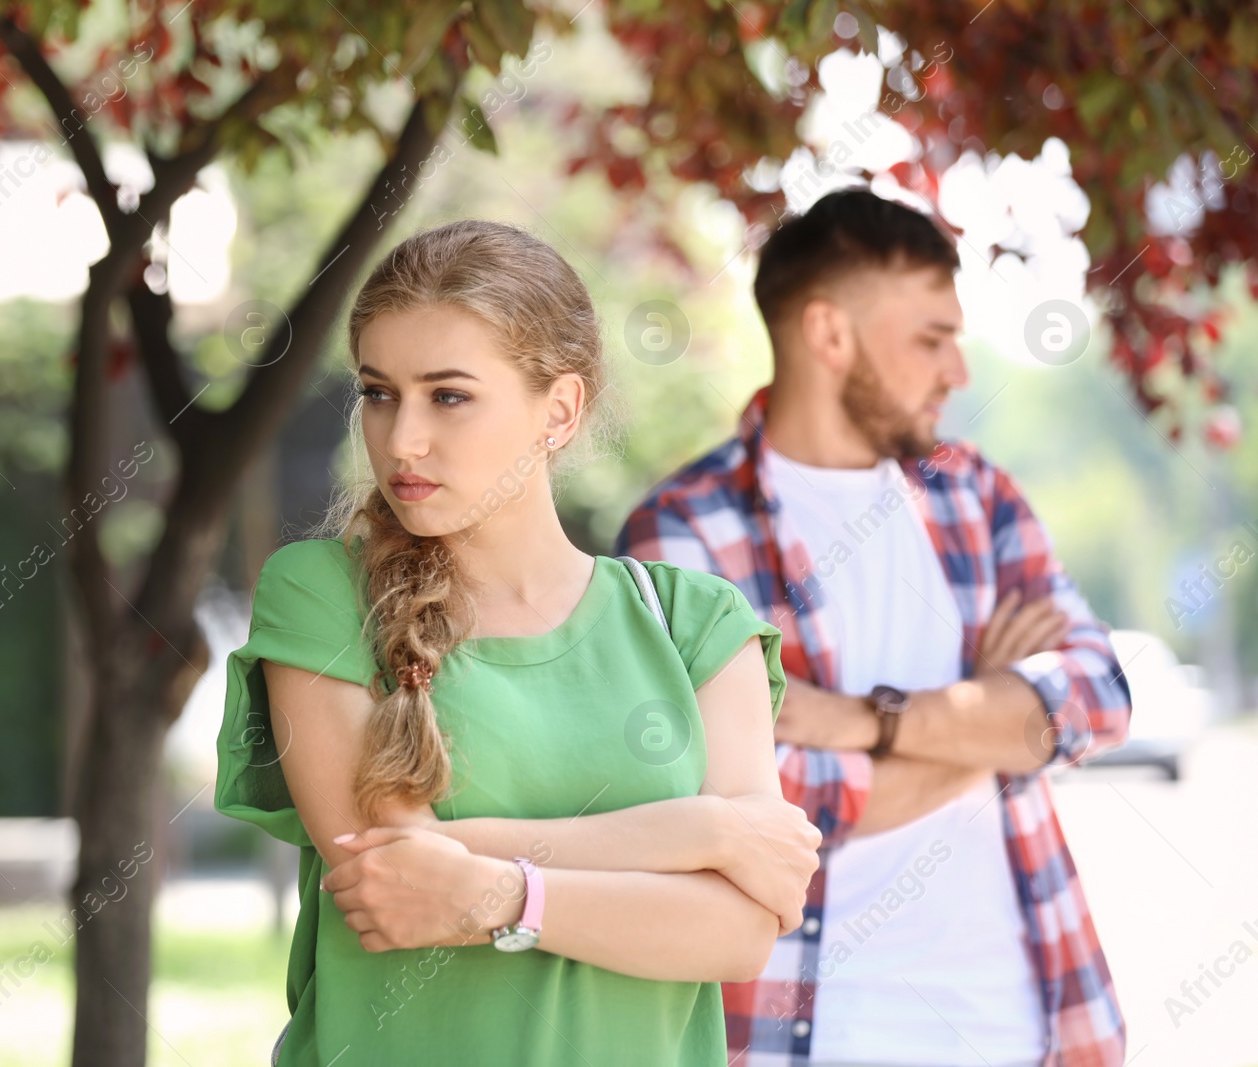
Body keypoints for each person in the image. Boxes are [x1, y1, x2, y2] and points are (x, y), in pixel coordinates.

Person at [215, 218, 822, 1067]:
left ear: (560, 409)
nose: (401, 440)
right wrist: (708, 832)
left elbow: (737, 936)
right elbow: (390, 879)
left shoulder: (695, 624)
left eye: (449, 395)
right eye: (379, 392)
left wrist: (499, 891)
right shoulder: (320, 593)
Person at [617, 188, 1131, 1067]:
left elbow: (1095, 698)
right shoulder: (683, 536)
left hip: (1031, 1031)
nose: (958, 371)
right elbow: (755, 808)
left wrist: (864, 721)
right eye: (932, 338)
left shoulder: (974, 493)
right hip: (806, 1037)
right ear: (829, 335)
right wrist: (996, 725)